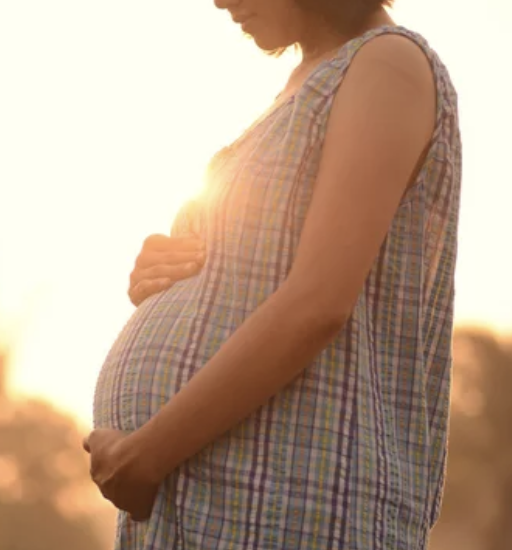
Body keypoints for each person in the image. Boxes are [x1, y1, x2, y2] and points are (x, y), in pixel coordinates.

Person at [84, 0, 462, 548]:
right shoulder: (307, 83)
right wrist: (170, 272)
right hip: (218, 498)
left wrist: (147, 454)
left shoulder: (388, 64)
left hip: (294, 505)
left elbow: (318, 302)